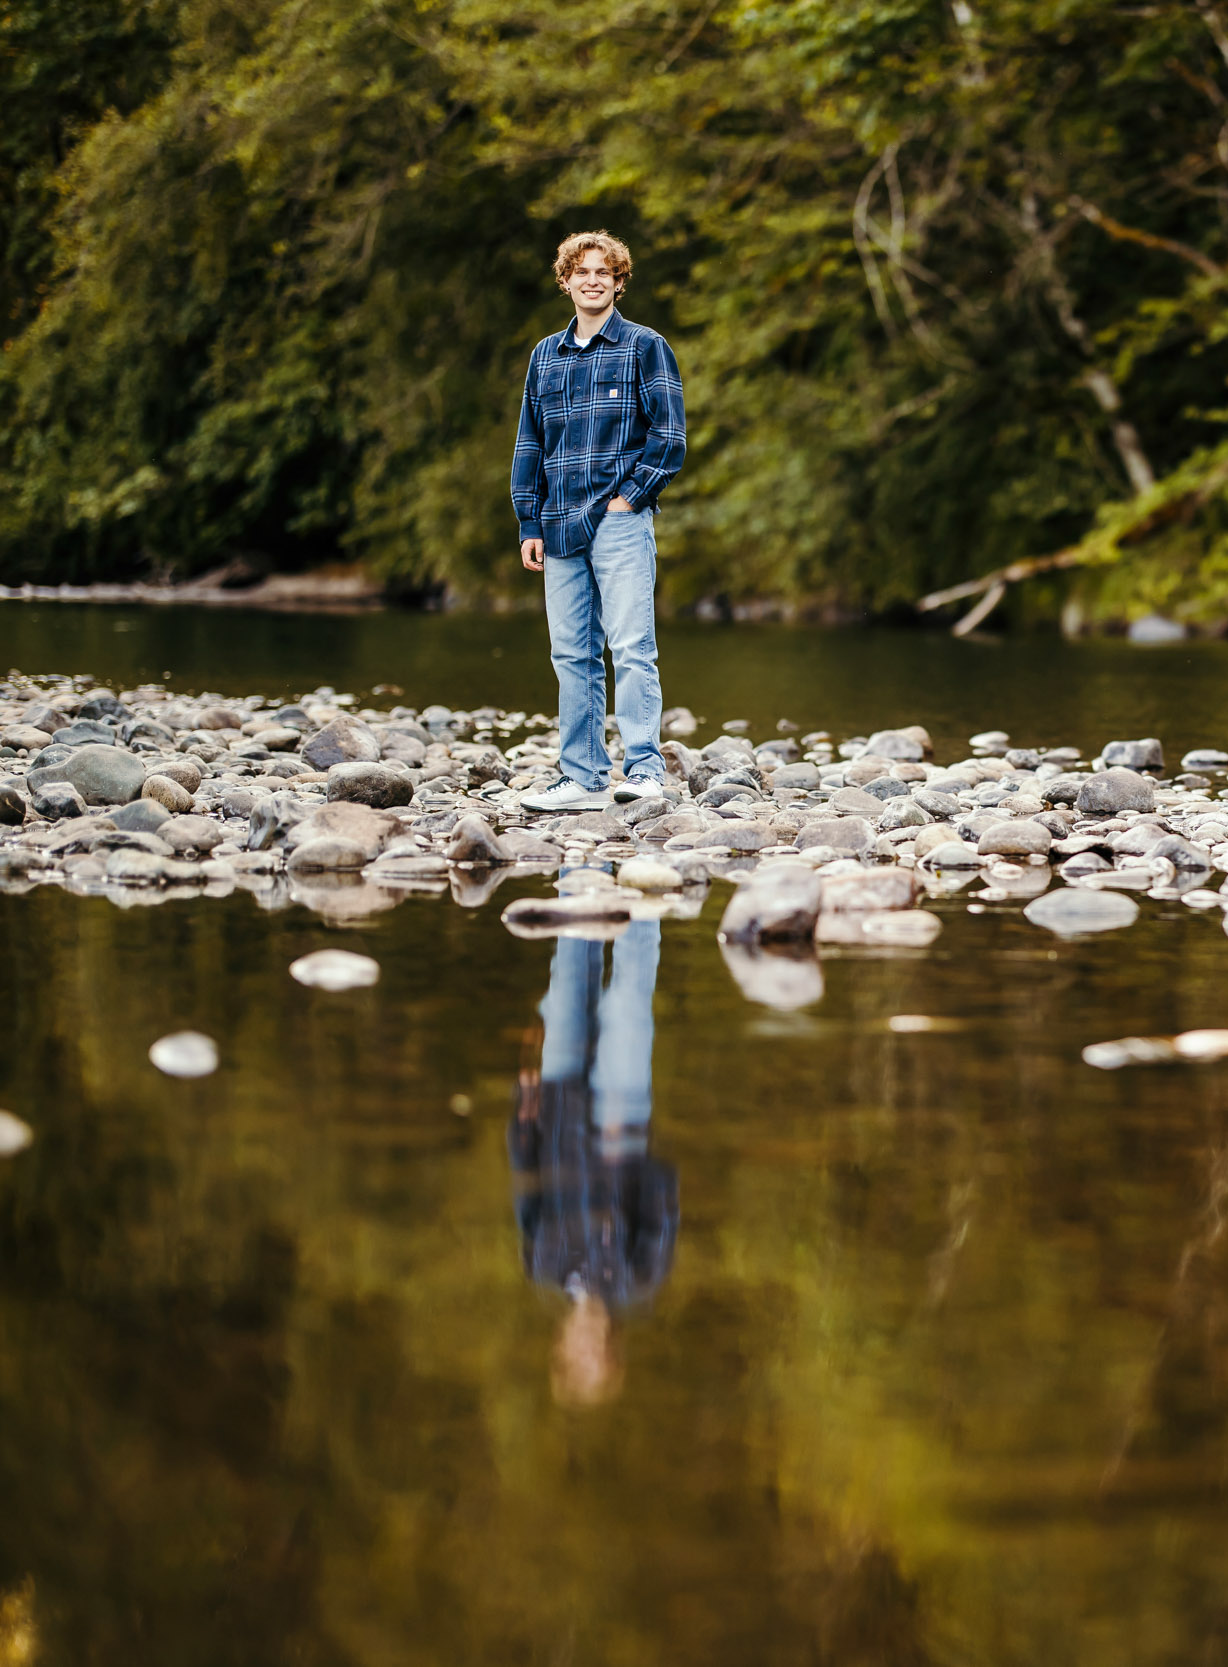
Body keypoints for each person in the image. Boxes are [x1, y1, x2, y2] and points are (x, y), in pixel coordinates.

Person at [510, 230, 686, 813]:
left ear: (617, 280)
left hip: (618, 519)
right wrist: (527, 522)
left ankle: (644, 769)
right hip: (556, 521)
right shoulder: (544, 356)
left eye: (602, 272)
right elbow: (530, 444)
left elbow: (669, 437)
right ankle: (582, 779)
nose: (592, 280)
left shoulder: (644, 346)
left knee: (632, 646)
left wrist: (630, 498)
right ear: (565, 281)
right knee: (571, 655)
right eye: (580, 272)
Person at [510, 920, 677, 1406]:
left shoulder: (541, 1265)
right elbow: (664, 1197)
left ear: (560, 1345)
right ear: (612, 1351)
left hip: (558, 1108)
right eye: (595, 1358)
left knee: (567, 982)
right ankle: (646, 886)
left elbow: (527, 1181)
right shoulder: (639, 1276)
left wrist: (524, 1117)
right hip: (618, 1117)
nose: (585, 1347)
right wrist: (625, 1152)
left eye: (575, 1355)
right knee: (627, 1000)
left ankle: (579, 863)